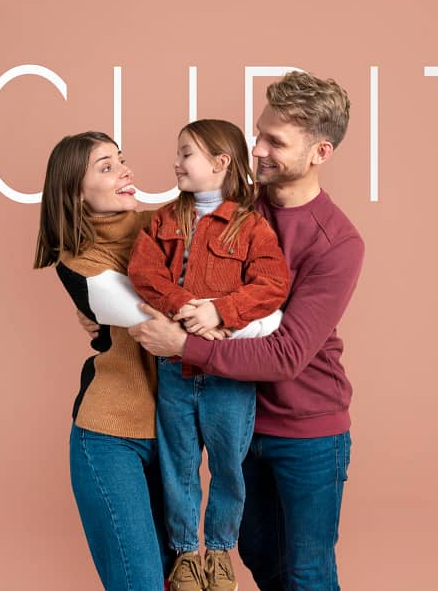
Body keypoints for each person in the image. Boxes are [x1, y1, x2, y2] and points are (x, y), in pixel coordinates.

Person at [126, 72, 365, 590]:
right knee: (258, 558)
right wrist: (96, 293)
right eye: (259, 133)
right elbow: (159, 249)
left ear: (321, 152)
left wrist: (183, 345)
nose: (256, 149)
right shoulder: (235, 206)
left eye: (275, 142)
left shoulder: (337, 242)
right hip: (240, 420)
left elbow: (286, 355)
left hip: (307, 431)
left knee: (306, 575)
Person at [127, 119, 290, 591]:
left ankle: (218, 553)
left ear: (220, 163)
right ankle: (183, 555)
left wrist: (221, 312)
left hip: (229, 377)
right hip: (175, 370)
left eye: (186, 154)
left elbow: (273, 285)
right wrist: (182, 307)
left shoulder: (250, 225)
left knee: (227, 467)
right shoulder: (165, 219)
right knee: (178, 465)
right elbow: (144, 271)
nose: (176, 162)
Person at [33, 131, 172, 591]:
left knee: (181, 581)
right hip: (110, 436)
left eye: (122, 161)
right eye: (106, 167)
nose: (125, 171)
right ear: (75, 191)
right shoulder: (76, 264)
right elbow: (160, 321)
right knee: (140, 584)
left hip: (172, 436)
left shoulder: (165, 224)